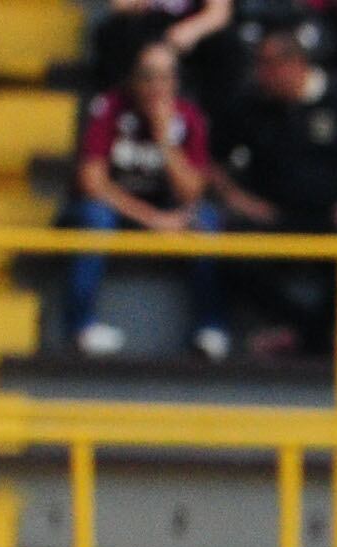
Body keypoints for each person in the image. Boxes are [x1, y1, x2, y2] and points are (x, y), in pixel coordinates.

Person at [207, 24, 337, 355]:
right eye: (259, 65)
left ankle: (304, 336)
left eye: (269, 65)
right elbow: (213, 160)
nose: (261, 74)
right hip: (274, 218)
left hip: (336, 219)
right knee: (229, 252)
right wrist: (241, 200)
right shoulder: (249, 103)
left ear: (295, 64)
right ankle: (313, 335)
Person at [64, 36, 230, 362]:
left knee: (207, 222)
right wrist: (153, 219)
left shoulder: (189, 117)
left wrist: (164, 138)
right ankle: (80, 326)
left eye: (164, 77)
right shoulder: (108, 107)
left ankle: (211, 328)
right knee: (95, 218)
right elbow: (92, 182)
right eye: (148, 75)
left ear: (176, 81)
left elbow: (192, 192)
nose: (156, 85)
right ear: (132, 77)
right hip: (117, 208)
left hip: (168, 208)